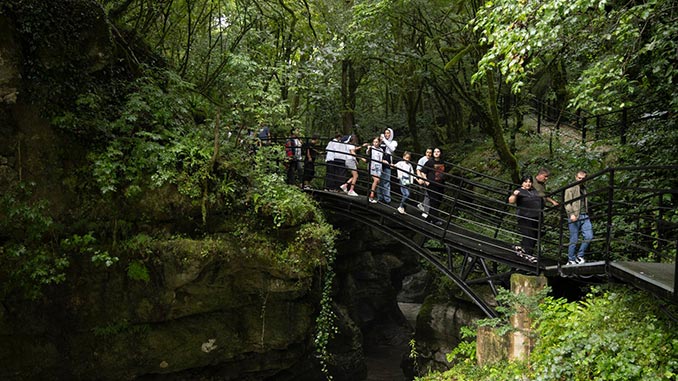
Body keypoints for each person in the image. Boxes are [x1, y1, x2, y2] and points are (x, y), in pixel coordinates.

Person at [507, 175, 542, 262]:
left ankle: (520, 247)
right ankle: (528, 254)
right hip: (525, 217)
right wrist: (514, 195)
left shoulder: (534, 191)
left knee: (535, 235)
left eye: (529, 182)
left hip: (535, 217)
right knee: (528, 235)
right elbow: (511, 201)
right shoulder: (519, 191)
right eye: (526, 182)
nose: (528, 184)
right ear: (522, 183)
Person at [564, 170, 593, 265]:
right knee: (574, 238)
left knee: (589, 236)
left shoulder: (584, 188)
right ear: (576, 177)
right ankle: (571, 259)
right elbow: (567, 203)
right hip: (575, 215)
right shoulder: (570, 188)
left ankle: (579, 255)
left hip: (584, 215)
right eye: (579, 178)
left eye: (583, 178)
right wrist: (571, 214)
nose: (581, 180)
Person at [420, 148, 446, 225]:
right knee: (434, 201)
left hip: (440, 185)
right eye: (435, 152)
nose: (436, 153)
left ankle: (429, 218)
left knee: (438, 201)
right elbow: (423, 171)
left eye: (438, 152)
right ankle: (435, 220)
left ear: (440, 153)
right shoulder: (430, 162)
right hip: (432, 185)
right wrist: (426, 180)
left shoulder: (442, 162)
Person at [377, 128, 398, 204]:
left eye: (388, 133)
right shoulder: (381, 141)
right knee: (379, 181)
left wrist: (384, 140)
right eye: (385, 133)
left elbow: (392, 149)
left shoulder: (393, 142)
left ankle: (387, 199)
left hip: (388, 163)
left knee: (386, 181)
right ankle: (380, 197)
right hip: (379, 162)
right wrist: (380, 140)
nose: (386, 135)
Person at [364, 136, 384, 203]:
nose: (375, 143)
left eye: (377, 142)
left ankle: (373, 195)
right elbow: (368, 153)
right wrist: (369, 148)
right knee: (376, 180)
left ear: (379, 143)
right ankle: (371, 196)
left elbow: (380, 159)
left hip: (379, 166)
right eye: (374, 142)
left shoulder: (381, 150)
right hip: (373, 165)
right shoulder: (371, 148)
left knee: (377, 181)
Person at [416, 148, 433, 212]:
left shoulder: (432, 160)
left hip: (429, 179)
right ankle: (426, 211)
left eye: (430, 153)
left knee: (429, 194)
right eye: (427, 152)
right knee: (427, 195)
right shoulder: (422, 160)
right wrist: (420, 178)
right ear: (425, 153)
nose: (428, 154)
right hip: (424, 179)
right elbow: (418, 170)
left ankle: (423, 205)